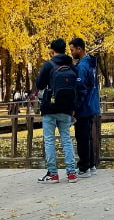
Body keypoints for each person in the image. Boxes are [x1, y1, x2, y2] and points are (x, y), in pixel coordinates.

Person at [34, 38, 78, 184]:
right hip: (66, 108)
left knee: (49, 140)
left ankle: (53, 174)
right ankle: (71, 173)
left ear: (52, 51)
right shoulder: (71, 65)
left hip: (50, 108)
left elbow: (39, 84)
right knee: (66, 139)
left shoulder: (49, 65)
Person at [70, 38, 100, 178]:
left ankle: (84, 167)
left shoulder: (82, 66)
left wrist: (75, 107)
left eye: (72, 50)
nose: (72, 53)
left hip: (84, 106)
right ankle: (91, 164)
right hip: (92, 104)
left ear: (79, 49)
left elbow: (81, 88)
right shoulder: (92, 64)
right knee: (88, 137)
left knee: (82, 137)